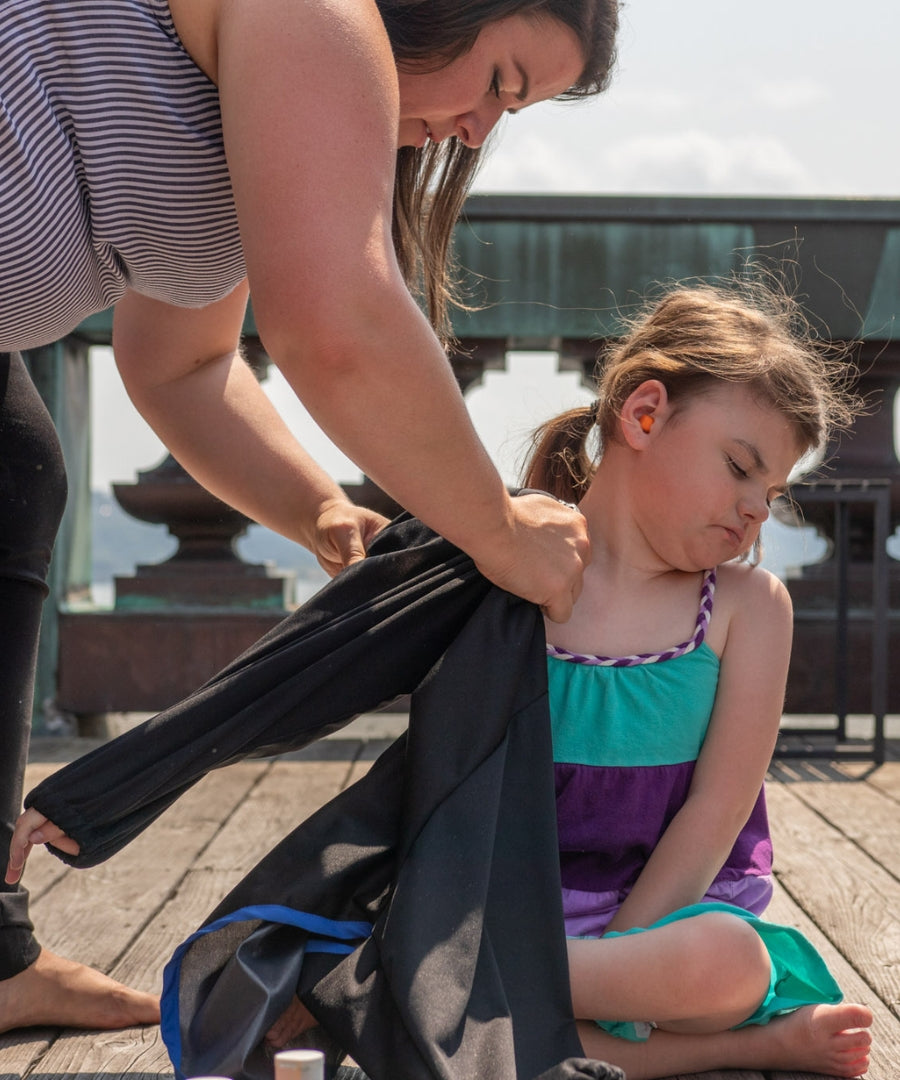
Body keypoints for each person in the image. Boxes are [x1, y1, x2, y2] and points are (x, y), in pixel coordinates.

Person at [1, 0, 618, 1035]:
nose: (480, 130)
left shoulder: (270, 116)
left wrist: (322, 509)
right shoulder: (315, 10)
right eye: (502, 81)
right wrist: (500, 533)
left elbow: (186, 365)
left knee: (16, 471)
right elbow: (336, 324)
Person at [519, 282, 873, 1078]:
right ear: (643, 415)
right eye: (740, 468)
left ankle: (482, 988)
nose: (755, 510)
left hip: (670, 917)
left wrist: (623, 955)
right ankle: (745, 1049)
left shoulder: (749, 608)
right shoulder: (520, 581)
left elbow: (718, 808)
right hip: (524, 899)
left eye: (772, 493)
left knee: (729, 962)